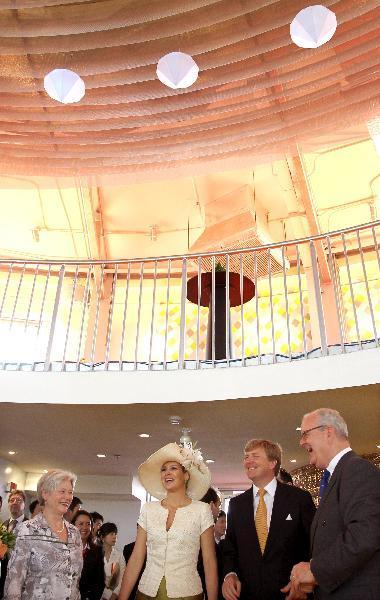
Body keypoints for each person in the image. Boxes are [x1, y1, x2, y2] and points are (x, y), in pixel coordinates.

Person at [282, 408, 380, 600]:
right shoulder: (335, 476)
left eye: (305, 434)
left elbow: (365, 534)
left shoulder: (357, 469)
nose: (301, 442)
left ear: (328, 432)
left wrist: (315, 571)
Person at [118, 442, 218, 600]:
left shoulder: (201, 510)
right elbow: (137, 556)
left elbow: (209, 561)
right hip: (146, 592)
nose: (167, 473)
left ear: (186, 475)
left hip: (188, 594)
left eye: (173, 468)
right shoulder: (148, 509)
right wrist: (122, 597)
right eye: (163, 469)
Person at [222, 438, 315, 600]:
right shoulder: (236, 505)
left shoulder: (299, 499)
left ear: (273, 463)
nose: (248, 461)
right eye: (246, 457)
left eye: (255, 456)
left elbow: (315, 544)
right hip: (247, 594)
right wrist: (229, 575)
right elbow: (230, 549)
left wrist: (306, 582)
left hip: (291, 594)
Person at [3, 470, 82, 600]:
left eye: (70, 492)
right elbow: (14, 583)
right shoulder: (27, 530)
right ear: (45, 493)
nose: (68, 497)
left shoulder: (74, 533)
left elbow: (74, 582)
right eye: (62, 491)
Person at [0, 490, 28, 599]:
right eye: (12, 500)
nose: (15, 502)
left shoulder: (30, 526)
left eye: (19, 500)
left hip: (21, 579)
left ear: (24, 505)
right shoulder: (3, 525)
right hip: (3, 576)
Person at [72, 510, 105, 600]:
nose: (85, 527)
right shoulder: (65, 548)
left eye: (88, 524)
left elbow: (100, 581)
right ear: (73, 525)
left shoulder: (97, 550)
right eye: (81, 524)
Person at [98, 522, 125, 600]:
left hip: (114, 595)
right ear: (102, 537)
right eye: (111, 534)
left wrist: (114, 595)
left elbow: (122, 578)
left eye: (115, 534)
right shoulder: (96, 555)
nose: (114, 537)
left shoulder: (119, 555)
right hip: (97, 594)